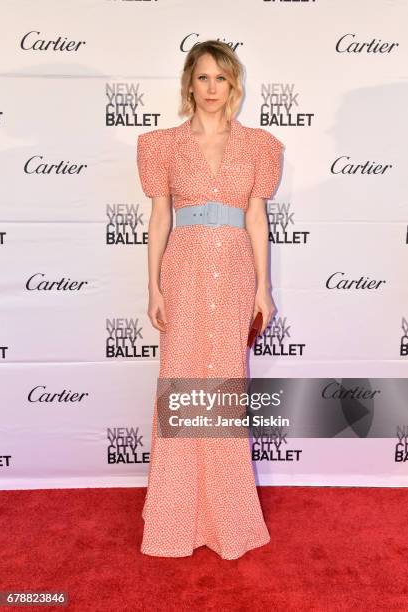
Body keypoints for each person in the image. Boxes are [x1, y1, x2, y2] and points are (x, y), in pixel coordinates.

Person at [136, 40, 284, 560]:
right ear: (189, 84)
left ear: (233, 84)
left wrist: (264, 287)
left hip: (236, 272)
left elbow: (256, 218)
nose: (212, 88)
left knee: (222, 390)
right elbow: (159, 219)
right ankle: (176, 518)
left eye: (221, 78)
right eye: (203, 78)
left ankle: (226, 519)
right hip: (185, 267)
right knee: (180, 387)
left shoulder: (259, 146)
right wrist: (153, 284)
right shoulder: (162, 146)